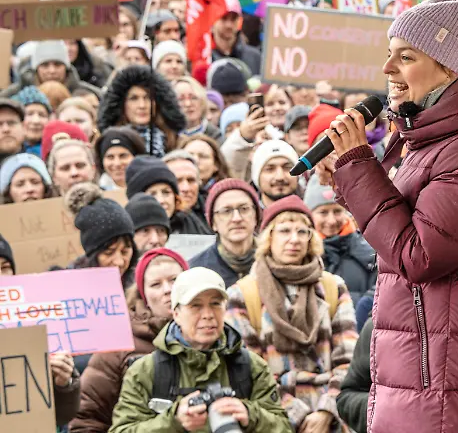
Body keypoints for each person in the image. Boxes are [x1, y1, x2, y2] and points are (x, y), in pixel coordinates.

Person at [328, 0, 458, 433]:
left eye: (406, 57)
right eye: (389, 54)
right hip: (428, 382)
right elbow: (404, 228)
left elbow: (420, 254)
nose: (388, 69)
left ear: (450, 69)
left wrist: (359, 167)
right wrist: (349, 176)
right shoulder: (436, 141)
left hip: (452, 393)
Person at [225, 196, 358, 432]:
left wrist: (327, 411)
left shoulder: (332, 287)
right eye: (284, 230)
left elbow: (348, 361)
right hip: (273, 418)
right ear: (269, 238)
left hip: (334, 420)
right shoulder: (242, 294)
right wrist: (299, 416)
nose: (294, 239)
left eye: (302, 231)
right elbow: (247, 372)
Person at [109, 267, 291, 433]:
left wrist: (250, 415)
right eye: (195, 305)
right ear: (176, 314)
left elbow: (283, 427)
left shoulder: (250, 366)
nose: (208, 315)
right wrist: (174, 421)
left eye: (215, 304)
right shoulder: (146, 371)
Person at [72, 248, 188, 433]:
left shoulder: (213, 334)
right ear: (143, 295)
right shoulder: (120, 343)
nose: (168, 290)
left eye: (174, 280)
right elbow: (86, 418)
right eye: (156, 284)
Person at [304, 179, 377, 305]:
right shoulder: (301, 253)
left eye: (337, 211)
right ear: (310, 215)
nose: (331, 221)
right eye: (323, 212)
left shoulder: (369, 251)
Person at [96, 65, 186, 157]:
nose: (142, 105)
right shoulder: (106, 142)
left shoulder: (178, 142)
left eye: (148, 98)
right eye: (133, 98)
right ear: (121, 105)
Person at [190, 179, 262, 288]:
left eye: (244, 209)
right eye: (226, 211)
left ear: (256, 216)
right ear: (213, 222)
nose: (236, 218)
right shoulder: (197, 270)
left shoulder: (274, 259)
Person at [65, 182, 138, 290]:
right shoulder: (69, 286)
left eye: (125, 252)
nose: (119, 261)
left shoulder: (142, 283)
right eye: (109, 253)